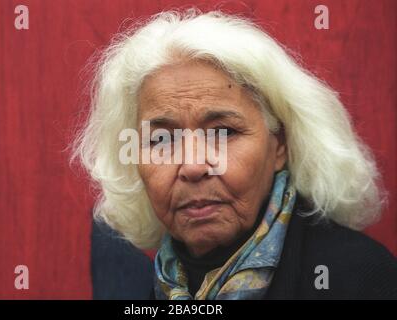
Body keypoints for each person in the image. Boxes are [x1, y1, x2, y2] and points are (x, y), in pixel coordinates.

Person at [72, 9, 397, 299]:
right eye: (162, 140)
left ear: (280, 144)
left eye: (224, 132)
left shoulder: (358, 279)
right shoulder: (150, 285)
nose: (194, 166)